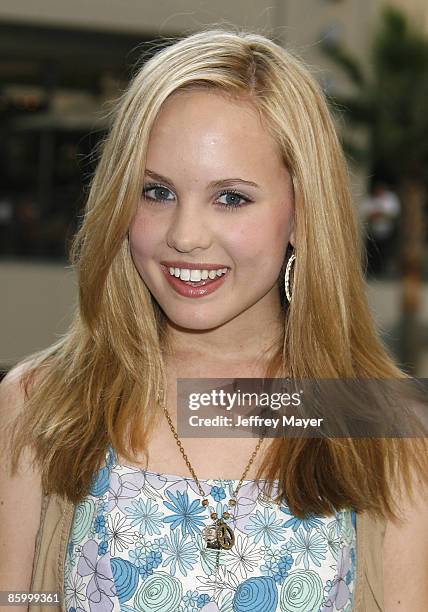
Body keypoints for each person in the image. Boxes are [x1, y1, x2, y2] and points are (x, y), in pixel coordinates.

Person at [1, 29, 427, 612]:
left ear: (303, 212)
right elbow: (19, 596)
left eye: (231, 197)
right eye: (156, 192)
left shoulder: (385, 425)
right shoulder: (42, 403)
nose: (185, 236)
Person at [360, 181, 401, 278]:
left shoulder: (390, 198)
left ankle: (383, 272)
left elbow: (394, 214)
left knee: (385, 253)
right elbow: (365, 214)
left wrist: (381, 214)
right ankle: (373, 272)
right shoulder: (369, 199)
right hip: (373, 232)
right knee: (373, 253)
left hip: (387, 232)